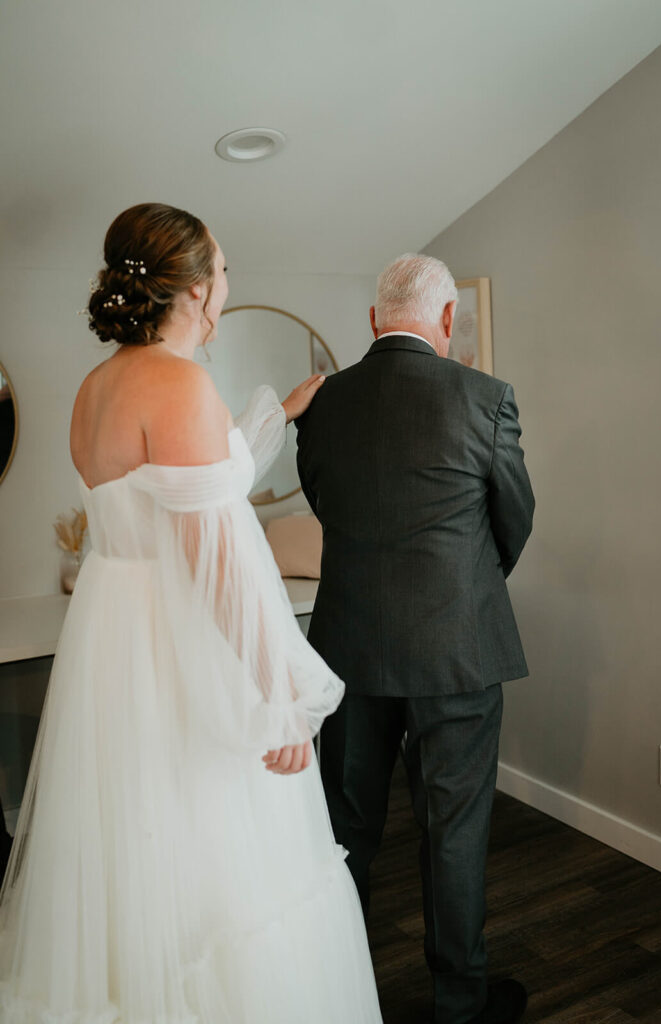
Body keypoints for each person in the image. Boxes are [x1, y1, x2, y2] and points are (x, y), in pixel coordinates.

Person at [0, 203, 382, 1023]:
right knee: (219, 853)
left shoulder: (96, 386)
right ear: (198, 290)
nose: (227, 283)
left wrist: (277, 412)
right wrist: (277, 693)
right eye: (226, 268)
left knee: (140, 843)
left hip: (116, 638)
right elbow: (215, 560)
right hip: (179, 643)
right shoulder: (177, 384)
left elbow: (193, 488)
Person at [296, 254, 535, 1024]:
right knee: (454, 831)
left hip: (350, 651)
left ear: (373, 320)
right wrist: (461, 583)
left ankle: (343, 990)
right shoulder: (484, 398)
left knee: (348, 829)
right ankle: (459, 1005)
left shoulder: (325, 404)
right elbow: (514, 518)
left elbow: (326, 503)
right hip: (456, 653)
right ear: (446, 320)